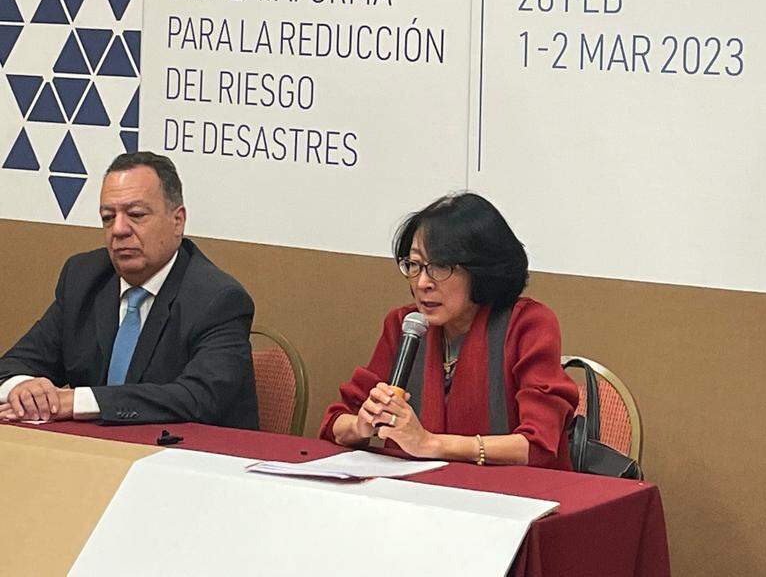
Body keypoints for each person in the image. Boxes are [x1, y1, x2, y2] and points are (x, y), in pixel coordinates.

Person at [0, 151, 258, 429]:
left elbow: (198, 398)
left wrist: (77, 402)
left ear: (177, 221)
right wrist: (25, 389)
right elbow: (13, 366)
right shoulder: (83, 278)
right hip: (91, 450)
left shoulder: (218, 299)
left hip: (186, 451)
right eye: (108, 217)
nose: (119, 230)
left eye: (136, 215)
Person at [321, 193, 580, 469]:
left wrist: (430, 444)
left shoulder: (526, 324)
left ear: (481, 271)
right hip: (416, 489)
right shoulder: (404, 325)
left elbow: (538, 445)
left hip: (509, 490)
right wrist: (362, 425)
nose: (422, 282)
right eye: (414, 265)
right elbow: (335, 421)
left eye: (440, 266)